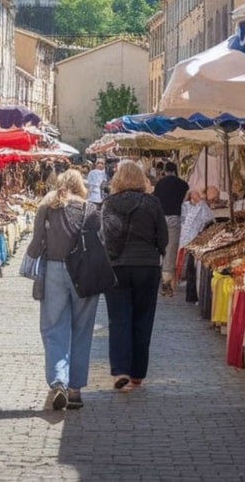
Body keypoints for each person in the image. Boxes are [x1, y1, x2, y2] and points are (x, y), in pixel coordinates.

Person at [23, 169, 99, 410]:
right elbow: (101, 242)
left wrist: (28, 264)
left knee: (54, 327)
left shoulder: (48, 207)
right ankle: (75, 389)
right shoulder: (90, 210)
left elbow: (36, 243)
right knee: (83, 329)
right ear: (81, 187)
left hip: (55, 270)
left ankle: (58, 381)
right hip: (85, 272)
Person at [101, 161, 168, 390]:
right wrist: (157, 250)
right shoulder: (152, 203)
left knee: (118, 319)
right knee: (143, 318)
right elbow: (163, 236)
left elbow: (106, 236)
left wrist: (113, 256)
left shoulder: (109, 203)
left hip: (118, 267)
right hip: (147, 266)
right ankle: (138, 373)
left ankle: (121, 370)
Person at [151, 162, 188, 297]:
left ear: (165, 171)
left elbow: (155, 200)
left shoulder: (160, 184)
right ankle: (167, 281)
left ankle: (159, 276)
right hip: (175, 219)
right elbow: (186, 201)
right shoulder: (183, 184)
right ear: (176, 170)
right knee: (171, 249)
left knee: (160, 247)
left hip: (160, 219)